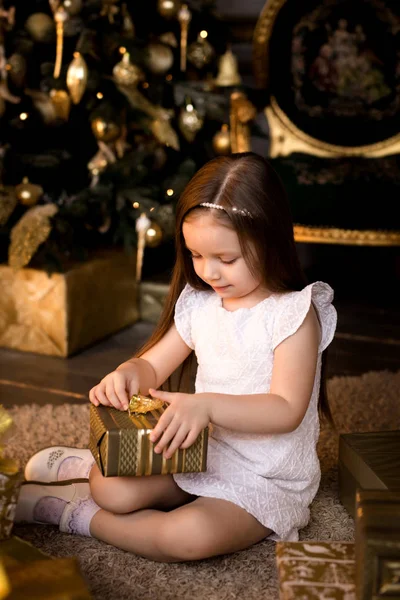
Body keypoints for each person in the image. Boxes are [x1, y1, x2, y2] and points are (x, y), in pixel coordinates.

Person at [15, 153, 337, 562]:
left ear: (269, 240)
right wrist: (128, 372)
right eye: (196, 255)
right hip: (200, 451)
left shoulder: (293, 313)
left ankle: (74, 514)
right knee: (110, 488)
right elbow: (152, 365)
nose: (209, 273)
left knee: (188, 537)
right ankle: (85, 469)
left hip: (264, 476)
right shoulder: (202, 303)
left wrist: (205, 407)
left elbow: (285, 409)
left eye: (227, 259)